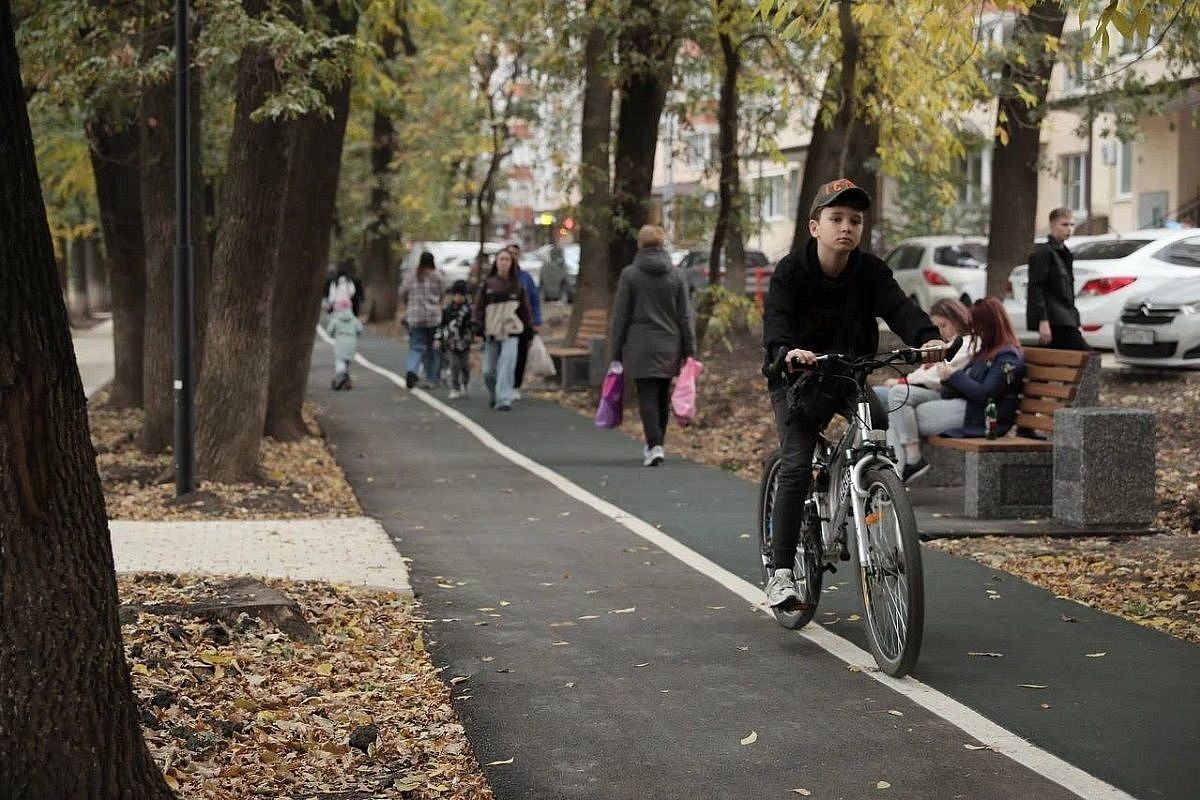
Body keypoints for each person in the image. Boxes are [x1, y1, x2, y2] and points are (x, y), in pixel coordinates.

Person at [761, 178, 946, 609]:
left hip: (847, 371)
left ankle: (873, 493)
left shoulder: (870, 272)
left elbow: (899, 307)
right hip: (797, 377)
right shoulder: (791, 271)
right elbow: (776, 322)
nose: (847, 227)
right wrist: (787, 351)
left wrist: (927, 337)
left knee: (876, 420)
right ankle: (782, 572)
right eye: (836, 218)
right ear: (815, 227)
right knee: (795, 464)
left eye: (856, 220)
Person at [610, 224, 697, 467]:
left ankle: (654, 444)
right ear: (661, 244)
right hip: (670, 343)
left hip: (639, 344)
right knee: (662, 392)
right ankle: (658, 441)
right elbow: (685, 315)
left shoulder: (630, 275)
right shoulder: (676, 275)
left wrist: (616, 349)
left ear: (640, 244)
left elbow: (621, 315)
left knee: (646, 393)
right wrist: (690, 349)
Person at [879, 297, 977, 482]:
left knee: (897, 397)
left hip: (941, 393)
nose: (939, 332)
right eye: (936, 327)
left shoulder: (964, 343)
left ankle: (911, 458)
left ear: (958, 320)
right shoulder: (948, 342)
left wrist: (902, 382)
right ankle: (893, 473)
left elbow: (936, 375)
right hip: (925, 389)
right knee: (883, 402)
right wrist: (904, 380)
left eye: (943, 325)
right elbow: (926, 370)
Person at [474, 249, 531, 410]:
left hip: (511, 330)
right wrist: (478, 326)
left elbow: (525, 309)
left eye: (507, 260)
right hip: (492, 331)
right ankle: (494, 394)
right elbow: (479, 307)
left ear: (512, 263)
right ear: (496, 262)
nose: (504, 262)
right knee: (488, 370)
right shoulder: (488, 284)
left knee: (507, 363)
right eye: (501, 259)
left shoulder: (518, 286)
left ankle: (504, 399)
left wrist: (529, 328)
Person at [1027, 208, 1088, 350]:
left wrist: (1075, 321)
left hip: (1065, 319)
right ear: (1052, 226)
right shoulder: (1044, 252)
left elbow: (1067, 293)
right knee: (1086, 357)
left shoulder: (1065, 253)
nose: (1069, 229)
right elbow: (1036, 287)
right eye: (1064, 225)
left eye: (1072, 225)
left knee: (1060, 361)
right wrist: (1043, 320)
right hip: (1054, 320)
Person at [400, 251, 445, 389]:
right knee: (433, 349)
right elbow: (442, 293)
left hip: (415, 316)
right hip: (433, 317)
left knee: (416, 346)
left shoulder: (412, 276)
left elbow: (402, 292)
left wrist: (408, 303)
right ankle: (431, 378)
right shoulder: (437, 276)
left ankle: (412, 369)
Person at [508, 242, 542, 400]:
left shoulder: (526, 278)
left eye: (515, 254)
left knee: (521, 354)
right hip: (505, 323)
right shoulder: (499, 277)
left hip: (523, 322)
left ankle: (516, 385)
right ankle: (504, 383)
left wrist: (537, 321)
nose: (512, 257)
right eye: (510, 254)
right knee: (506, 355)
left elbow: (534, 300)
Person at [436, 280, 475, 399]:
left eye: (461, 295)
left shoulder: (468, 310)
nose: (458, 297)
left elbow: (472, 325)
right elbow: (442, 325)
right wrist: (438, 338)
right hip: (451, 343)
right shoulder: (448, 310)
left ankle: (465, 382)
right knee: (454, 365)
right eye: (456, 295)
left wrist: (473, 335)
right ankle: (455, 387)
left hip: (465, 342)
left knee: (465, 365)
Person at [325, 297, 364, 390]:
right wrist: (356, 335)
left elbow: (330, 330)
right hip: (351, 342)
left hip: (340, 341)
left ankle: (341, 375)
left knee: (339, 360)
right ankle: (346, 378)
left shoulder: (336, 319)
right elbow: (360, 329)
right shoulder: (354, 319)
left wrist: (333, 335)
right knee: (347, 361)